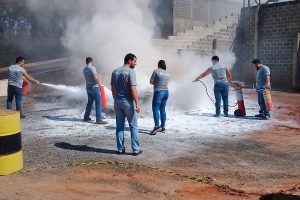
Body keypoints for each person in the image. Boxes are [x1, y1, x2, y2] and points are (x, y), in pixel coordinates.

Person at [110, 53, 142, 156]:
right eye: (135, 61)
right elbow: (133, 88)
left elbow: (113, 88)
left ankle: (120, 149)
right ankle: (136, 150)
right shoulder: (130, 72)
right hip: (127, 102)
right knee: (133, 126)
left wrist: (115, 99)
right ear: (129, 60)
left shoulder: (115, 72)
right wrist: (137, 103)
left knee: (119, 126)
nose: (136, 63)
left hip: (117, 101)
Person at [83, 57, 107, 124]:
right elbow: (95, 77)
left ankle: (86, 117)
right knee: (98, 103)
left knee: (89, 103)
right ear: (91, 61)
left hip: (88, 87)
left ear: (86, 62)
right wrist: (99, 83)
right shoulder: (92, 68)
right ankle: (98, 119)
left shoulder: (84, 69)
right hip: (94, 87)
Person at [149, 60, 170, 135]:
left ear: (158, 65)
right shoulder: (168, 73)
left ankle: (156, 126)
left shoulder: (156, 71)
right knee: (162, 109)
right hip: (166, 92)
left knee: (155, 109)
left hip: (158, 92)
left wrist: (156, 82)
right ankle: (163, 127)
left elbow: (151, 82)